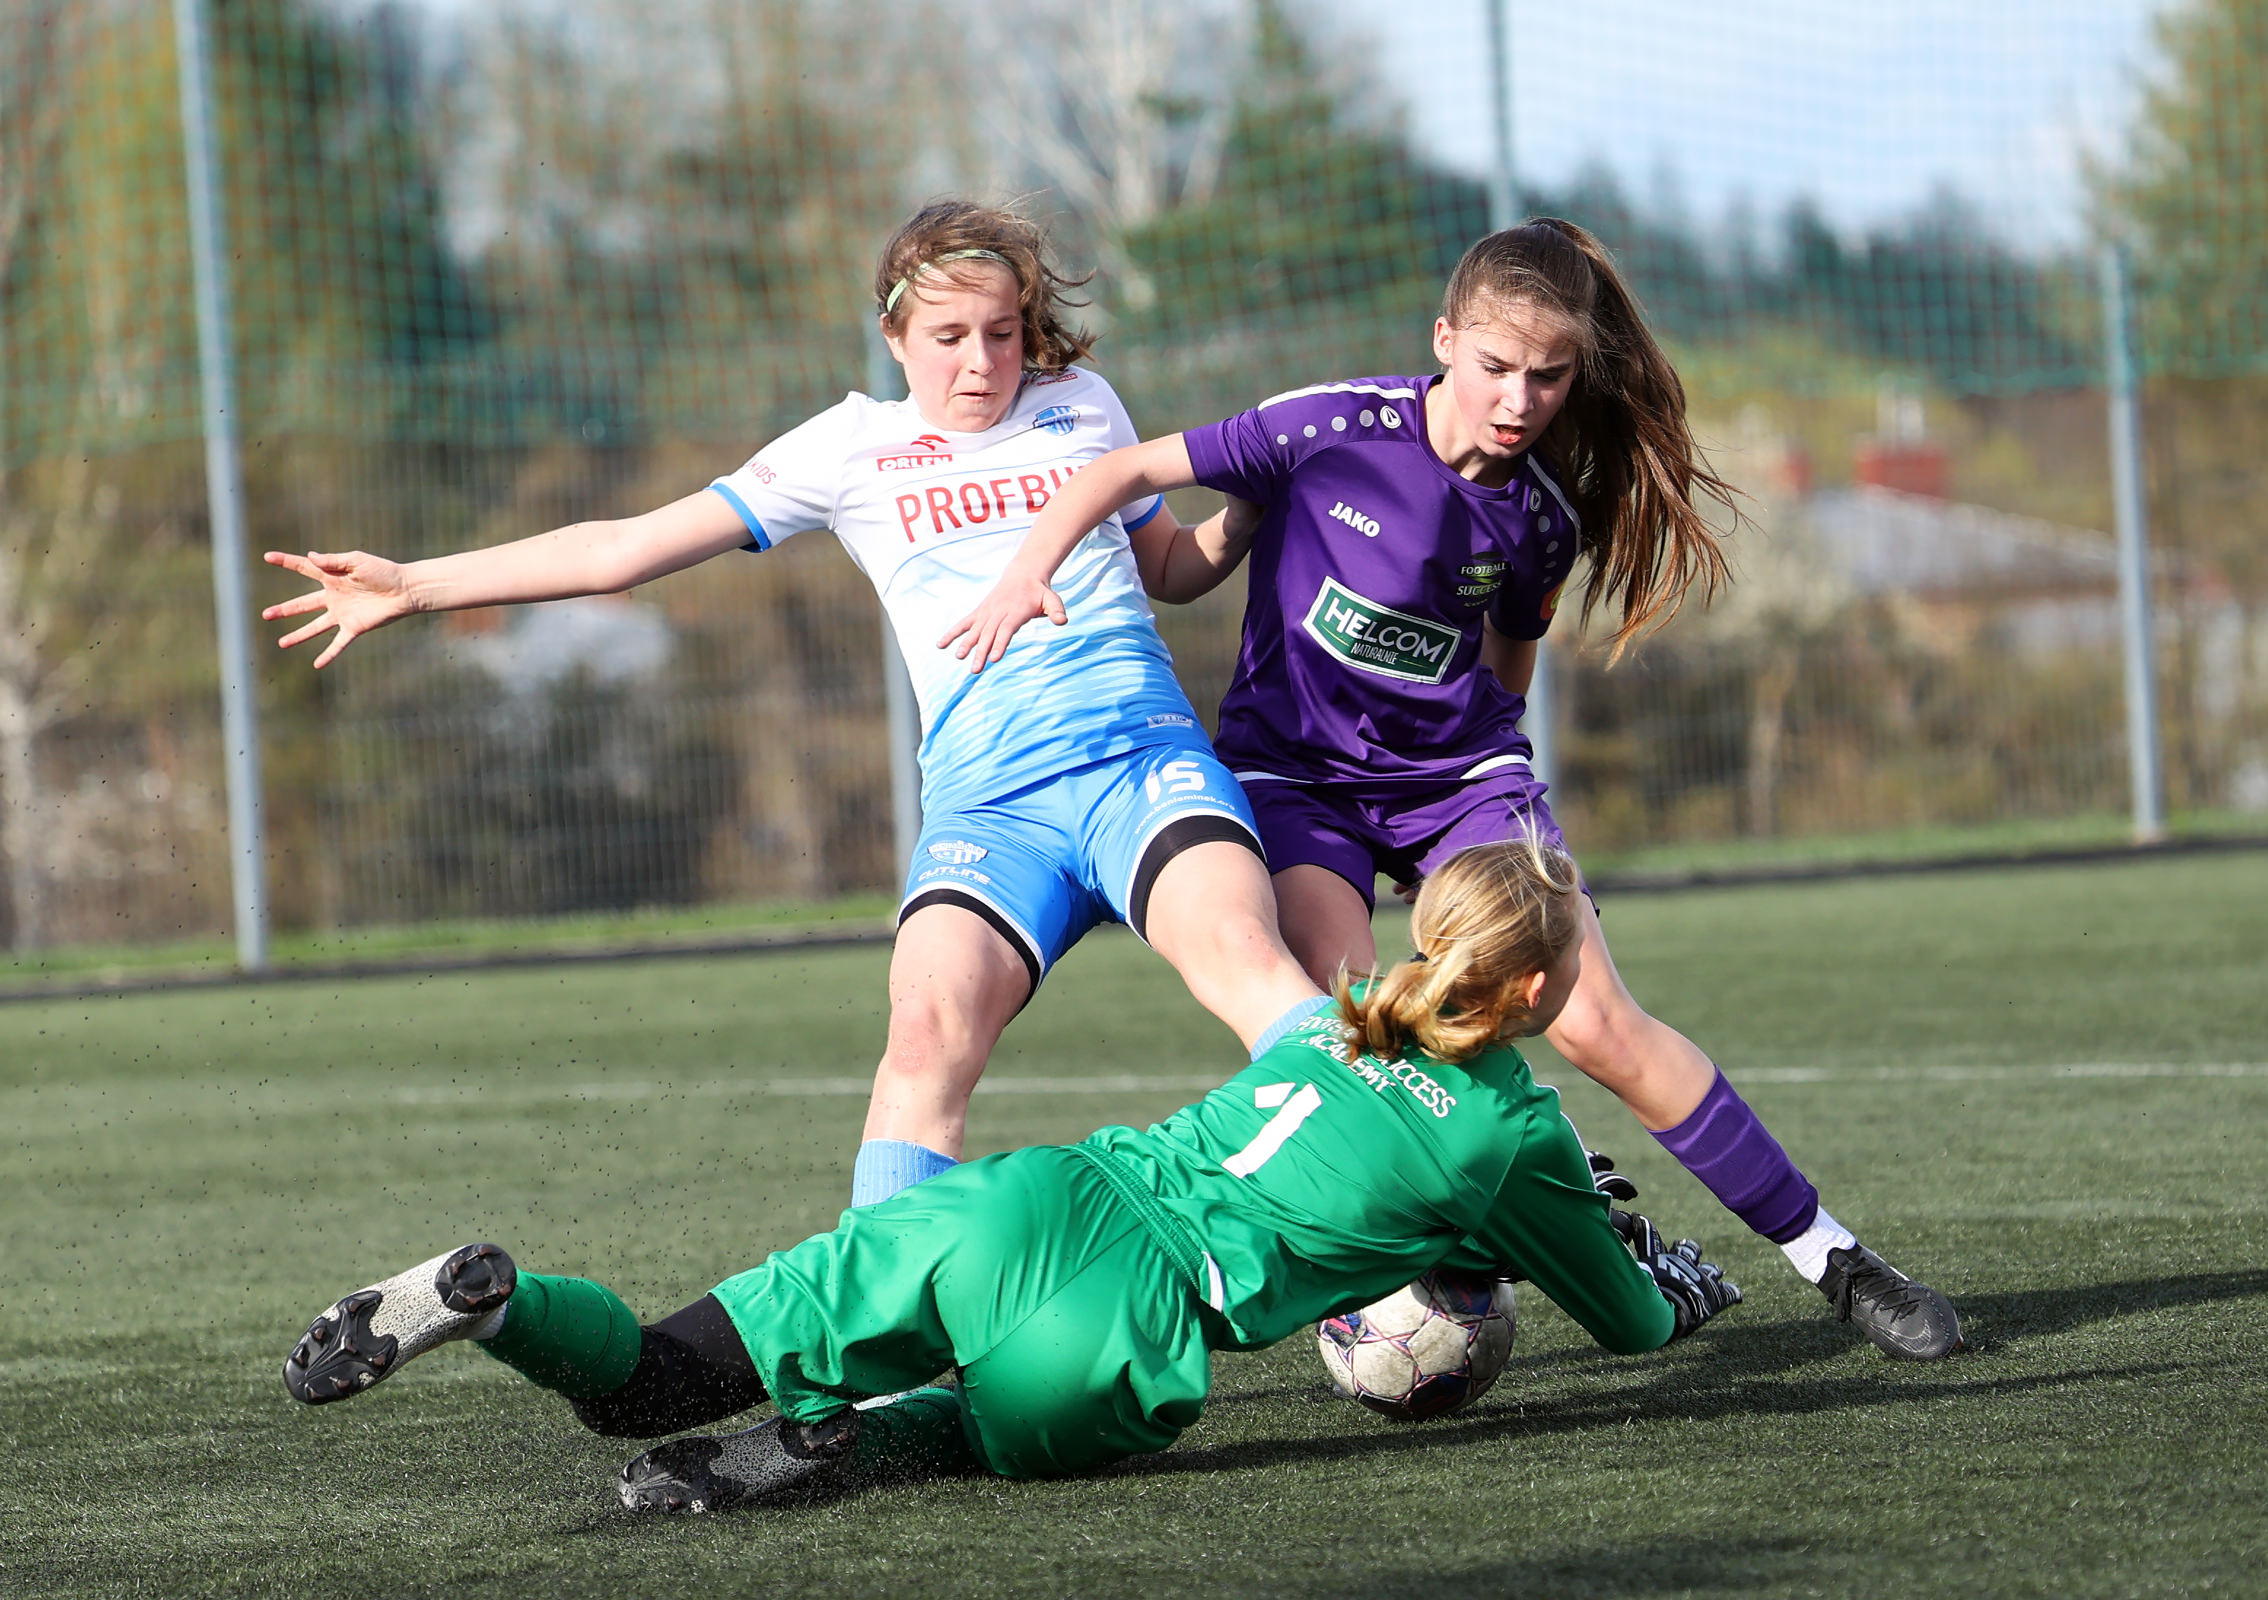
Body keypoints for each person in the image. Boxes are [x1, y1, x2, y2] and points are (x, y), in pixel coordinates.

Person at [938, 218, 1963, 1360]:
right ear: (1444, 342)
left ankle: (1840, 1261)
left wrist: (1481, 784)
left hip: (1459, 780)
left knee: (1600, 1025)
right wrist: (1030, 570)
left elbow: (1505, 666)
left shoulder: (1539, 520)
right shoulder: (1328, 426)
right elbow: (1123, 471)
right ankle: (1578, 1207)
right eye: (1494, 367)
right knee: (1352, 1046)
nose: (1519, 398)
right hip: (1298, 781)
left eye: (1548, 376)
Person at [262, 200, 1326, 1208]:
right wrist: (415, 585)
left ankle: (1384, 1246)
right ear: (894, 335)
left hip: (1141, 766)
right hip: (990, 810)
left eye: (1003, 334)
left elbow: (1176, 570)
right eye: (950, 335)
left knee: (1243, 952)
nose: (982, 361)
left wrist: (1246, 505)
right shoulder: (847, 448)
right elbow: (620, 551)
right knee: (922, 1033)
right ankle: (886, 1355)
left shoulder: (1084, 410)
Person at [281, 838, 1743, 1511]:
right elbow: (1624, 1324)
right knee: (970, 1428)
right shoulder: (1519, 1134)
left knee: (647, 1376)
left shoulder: (1336, 1011)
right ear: (1547, 990)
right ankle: (829, 1451)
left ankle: (498, 1301)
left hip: (1019, 1201)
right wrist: (1669, 1287)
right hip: (1125, 1319)